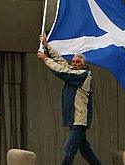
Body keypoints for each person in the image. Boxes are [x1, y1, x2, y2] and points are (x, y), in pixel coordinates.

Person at [38, 34, 102, 165]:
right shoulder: (74, 71)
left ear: (84, 65)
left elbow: (61, 71)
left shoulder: (83, 75)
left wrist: (45, 59)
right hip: (74, 119)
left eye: (77, 62)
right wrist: (46, 45)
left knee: (68, 150)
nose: (74, 63)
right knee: (85, 151)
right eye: (73, 61)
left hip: (79, 120)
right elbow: (61, 61)